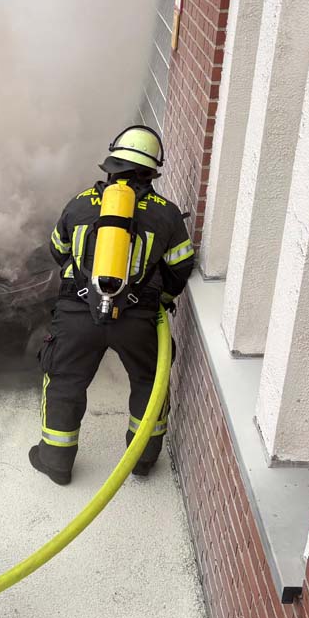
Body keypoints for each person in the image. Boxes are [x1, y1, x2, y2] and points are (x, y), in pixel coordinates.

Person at [30, 125, 195, 485]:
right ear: (151, 172)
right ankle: (142, 461)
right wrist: (159, 300)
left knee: (64, 382)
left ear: (111, 166)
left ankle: (56, 461)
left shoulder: (79, 203)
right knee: (150, 382)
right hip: (138, 317)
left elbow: (57, 252)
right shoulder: (166, 214)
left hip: (77, 312)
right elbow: (181, 266)